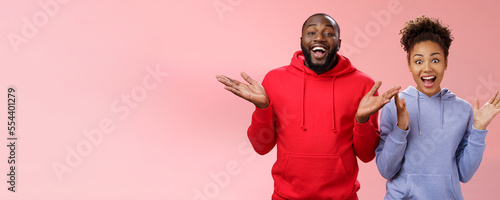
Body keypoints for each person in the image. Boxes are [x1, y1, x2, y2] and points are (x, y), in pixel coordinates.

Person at [216, 13, 400, 200]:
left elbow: (367, 154)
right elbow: (261, 147)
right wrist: (262, 107)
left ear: (339, 43)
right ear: (302, 40)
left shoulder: (363, 85)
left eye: (328, 33)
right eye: (311, 32)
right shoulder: (274, 80)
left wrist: (362, 121)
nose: (319, 38)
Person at [375, 15, 500, 199]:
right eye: (418, 61)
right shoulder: (395, 105)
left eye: (435, 60)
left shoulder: (462, 110)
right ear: (409, 64)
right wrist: (401, 128)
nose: (427, 68)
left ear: (446, 62)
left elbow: (464, 174)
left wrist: (479, 129)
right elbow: (386, 170)